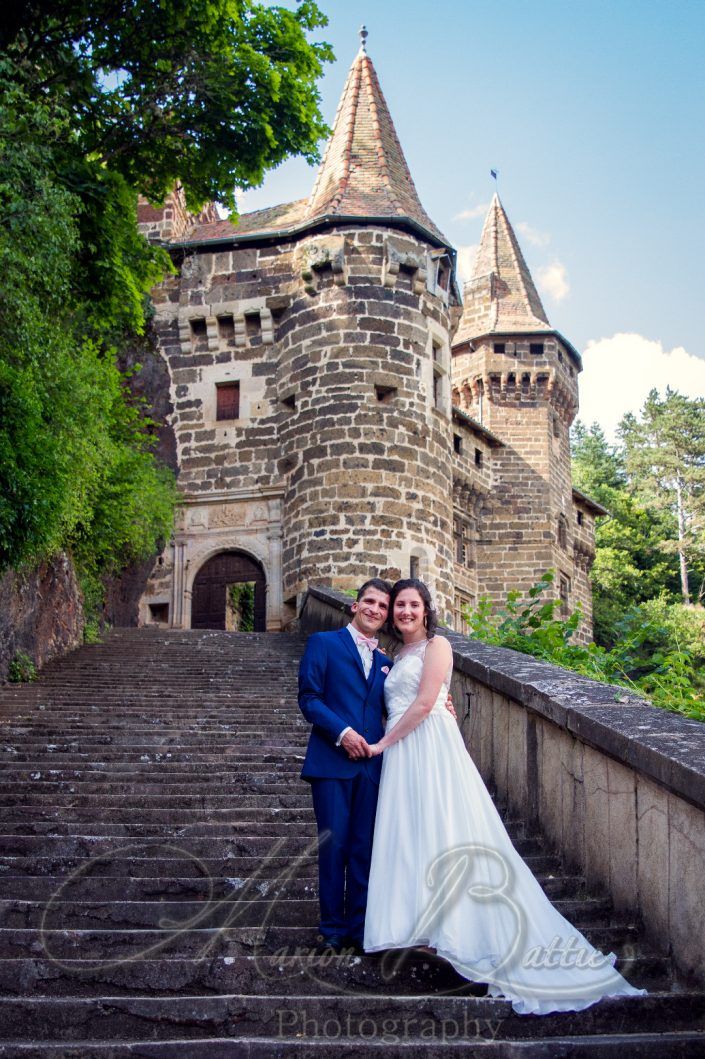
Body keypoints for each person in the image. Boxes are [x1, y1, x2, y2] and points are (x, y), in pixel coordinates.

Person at [363, 578, 647, 1016]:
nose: (404, 612)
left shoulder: (438, 647)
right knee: (411, 831)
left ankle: (463, 928)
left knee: (448, 826)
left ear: (426, 610)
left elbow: (423, 704)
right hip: (404, 749)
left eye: (412, 605)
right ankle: (419, 922)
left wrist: (383, 743)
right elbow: (406, 701)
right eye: (399, 605)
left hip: (427, 744)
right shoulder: (394, 656)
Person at [298, 578, 393, 954]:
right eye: (369, 601)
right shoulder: (324, 644)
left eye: (383, 607)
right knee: (334, 847)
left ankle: (360, 926)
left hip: (372, 767)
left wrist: (441, 704)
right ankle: (332, 927)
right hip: (332, 762)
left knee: (364, 849)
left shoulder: (387, 662)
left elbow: (396, 707)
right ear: (354, 606)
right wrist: (343, 733)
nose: (375, 609)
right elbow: (309, 698)